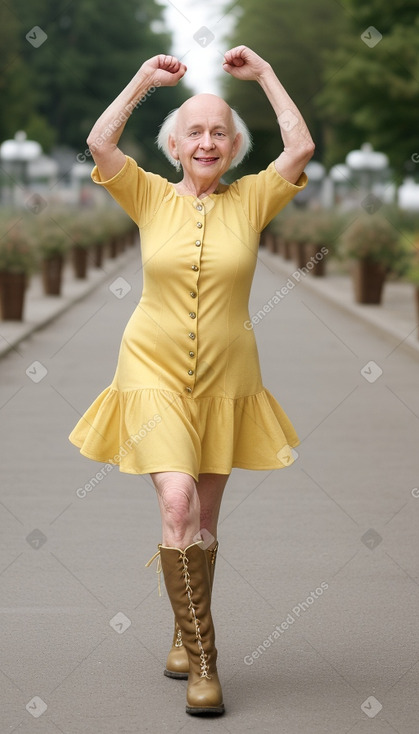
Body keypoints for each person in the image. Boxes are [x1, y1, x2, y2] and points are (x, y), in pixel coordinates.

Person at [69, 45, 314, 716]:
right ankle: (205, 660)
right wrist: (144, 80)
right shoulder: (145, 193)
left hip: (228, 377)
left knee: (202, 521)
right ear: (174, 145)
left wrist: (264, 74)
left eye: (218, 132)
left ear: (232, 147)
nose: (206, 141)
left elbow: (300, 146)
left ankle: (182, 628)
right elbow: (99, 139)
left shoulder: (254, 198)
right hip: (149, 371)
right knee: (176, 505)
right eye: (194, 132)